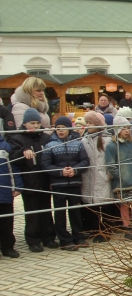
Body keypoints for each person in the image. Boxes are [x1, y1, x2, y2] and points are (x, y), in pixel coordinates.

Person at [8, 110, 58, 252]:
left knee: (46, 209)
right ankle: (33, 239)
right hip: (29, 180)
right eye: (32, 123)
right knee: (32, 211)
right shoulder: (17, 138)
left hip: (45, 179)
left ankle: (49, 237)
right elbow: (12, 157)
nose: (35, 126)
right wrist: (23, 152)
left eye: (37, 123)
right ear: (25, 123)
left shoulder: (46, 138)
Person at [41, 116, 90, 251]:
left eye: (63, 128)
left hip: (74, 182)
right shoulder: (50, 145)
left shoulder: (78, 143)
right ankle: (64, 240)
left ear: (69, 128)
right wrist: (61, 172)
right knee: (60, 214)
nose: (60, 131)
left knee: (76, 212)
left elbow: (85, 161)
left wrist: (75, 170)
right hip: (58, 184)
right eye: (58, 128)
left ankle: (79, 237)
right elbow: (45, 165)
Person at [105, 116, 132, 240]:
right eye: (124, 128)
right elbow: (110, 165)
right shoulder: (112, 146)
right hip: (122, 182)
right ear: (117, 130)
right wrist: (121, 176)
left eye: (128, 128)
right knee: (125, 205)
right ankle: (127, 227)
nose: (127, 131)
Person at [80, 111, 117, 243]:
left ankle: (106, 230)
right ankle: (93, 230)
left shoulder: (107, 140)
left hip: (103, 177)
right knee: (91, 205)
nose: (88, 125)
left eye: (91, 123)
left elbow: (113, 158)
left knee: (105, 205)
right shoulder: (84, 140)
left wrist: (110, 173)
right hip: (88, 177)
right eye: (87, 122)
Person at [0, 125, 23, 259]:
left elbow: (13, 168)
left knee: (7, 222)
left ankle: (8, 247)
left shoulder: (5, 147)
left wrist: (16, 187)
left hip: (5, 192)